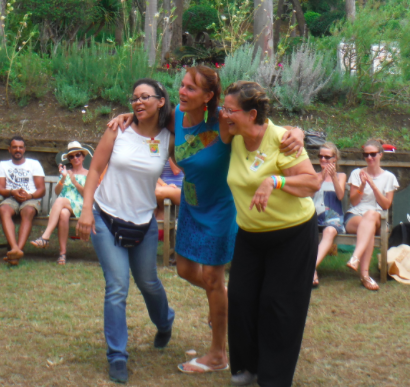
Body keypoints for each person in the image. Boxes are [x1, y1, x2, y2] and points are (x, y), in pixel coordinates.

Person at [108, 67, 305, 376]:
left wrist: (297, 131)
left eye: (190, 88)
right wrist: (125, 117)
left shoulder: (224, 123)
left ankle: (218, 353)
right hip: (190, 205)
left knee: (213, 278)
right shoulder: (174, 118)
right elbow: (144, 113)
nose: (181, 92)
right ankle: (223, 302)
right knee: (185, 270)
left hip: (220, 209)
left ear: (208, 96)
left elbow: (262, 125)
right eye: (181, 86)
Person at [222, 80, 321, 387]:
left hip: (292, 235)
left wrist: (275, 182)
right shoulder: (234, 133)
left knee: (278, 305)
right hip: (251, 235)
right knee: (239, 299)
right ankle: (247, 366)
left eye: (230, 110)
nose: (224, 115)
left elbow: (312, 183)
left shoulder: (281, 140)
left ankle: (274, 378)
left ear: (252, 114)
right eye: (223, 108)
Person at [77, 79, 176, 384]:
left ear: (161, 101)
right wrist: (85, 208)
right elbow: (94, 169)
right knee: (117, 286)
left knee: (148, 282)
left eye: (145, 97)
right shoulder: (117, 129)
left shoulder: (169, 137)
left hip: (143, 221)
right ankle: (117, 356)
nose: (137, 102)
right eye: (134, 98)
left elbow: (204, 136)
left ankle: (164, 321)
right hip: (105, 217)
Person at [343, 138, 399, 291]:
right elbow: (354, 202)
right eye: (366, 155)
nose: (369, 158)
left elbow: (386, 205)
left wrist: (373, 186)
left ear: (381, 155)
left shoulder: (389, 177)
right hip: (355, 216)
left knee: (371, 214)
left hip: (377, 218)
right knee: (368, 226)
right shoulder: (356, 173)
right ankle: (365, 276)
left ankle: (356, 257)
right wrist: (362, 185)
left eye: (373, 154)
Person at [31, 141, 90, 265]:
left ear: (83, 156)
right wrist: (63, 178)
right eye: (71, 156)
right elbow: (57, 191)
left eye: (78, 155)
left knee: (60, 201)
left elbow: (87, 195)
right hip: (64, 206)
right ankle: (62, 254)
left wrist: (75, 182)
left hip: (80, 206)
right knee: (63, 213)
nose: (75, 158)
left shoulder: (89, 174)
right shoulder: (66, 173)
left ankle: (45, 237)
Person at [0, 135, 46, 263]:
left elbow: (41, 189)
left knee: (28, 211)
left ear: (24, 149)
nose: (18, 150)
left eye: (20, 147)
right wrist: (12, 192)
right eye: (15, 147)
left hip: (30, 198)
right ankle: (15, 248)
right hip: (11, 196)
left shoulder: (34, 164)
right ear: (9, 149)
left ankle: (17, 251)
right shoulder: (3, 165)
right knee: (4, 209)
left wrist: (30, 196)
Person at [313, 142, 346, 288]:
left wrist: (333, 177)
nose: (323, 160)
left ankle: (310, 268)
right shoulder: (314, 175)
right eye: (321, 156)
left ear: (335, 158)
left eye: (327, 157)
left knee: (330, 230)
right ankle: (311, 271)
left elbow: (340, 196)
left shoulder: (341, 176)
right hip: (314, 215)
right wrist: (321, 177)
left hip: (333, 215)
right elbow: (309, 195)